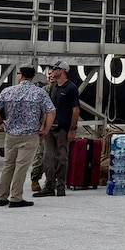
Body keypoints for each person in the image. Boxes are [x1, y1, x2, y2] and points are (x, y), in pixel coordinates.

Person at [0, 66, 55, 208]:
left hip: (11, 134)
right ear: (33, 77)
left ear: (20, 76)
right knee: (21, 167)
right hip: (30, 134)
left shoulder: (9, 91)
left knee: (8, 165)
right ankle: (16, 197)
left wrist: (1, 123)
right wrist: (45, 129)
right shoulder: (39, 93)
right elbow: (51, 111)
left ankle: (1, 196)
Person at [39, 61, 80, 197]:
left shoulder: (71, 88)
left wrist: (72, 129)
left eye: (55, 69)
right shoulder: (54, 88)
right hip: (51, 128)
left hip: (63, 127)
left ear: (62, 71)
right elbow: (48, 110)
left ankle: (61, 185)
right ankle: (49, 185)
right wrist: (44, 126)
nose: (52, 71)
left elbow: (75, 110)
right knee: (47, 157)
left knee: (62, 157)